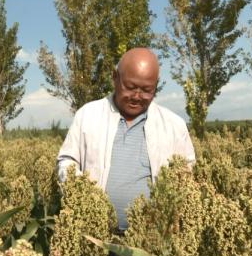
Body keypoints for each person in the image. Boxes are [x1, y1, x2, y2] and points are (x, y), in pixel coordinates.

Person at [57, 47, 195, 232]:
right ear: (115, 78)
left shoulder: (174, 125)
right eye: (130, 87)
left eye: (147, 90)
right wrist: (82, 196)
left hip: (150, 241)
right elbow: (67, 161)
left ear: (156, 85)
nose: (137, 97)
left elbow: (186, 171)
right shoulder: (87, 115)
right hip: (94, 235)